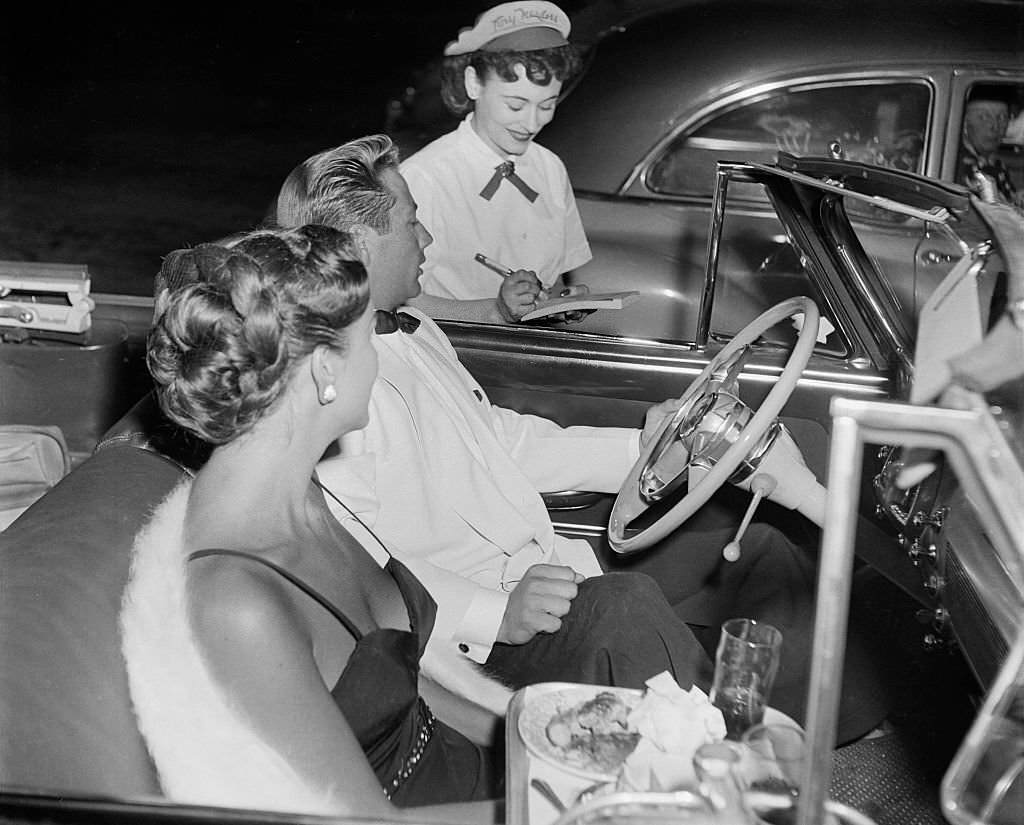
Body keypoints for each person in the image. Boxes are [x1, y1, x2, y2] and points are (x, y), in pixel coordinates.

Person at [275, 134, 893, 746]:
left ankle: (819, 735)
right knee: (625, 609)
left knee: (762, 547)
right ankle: (709, 770)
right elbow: (360, 568)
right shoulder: (335, 392)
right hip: (484, 634)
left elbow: (504, 443)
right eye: (412, 224)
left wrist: (645, 451)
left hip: (545, 564)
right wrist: (497, 615)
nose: (428, 240)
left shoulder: (413, 331)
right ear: (358, 244)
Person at [119, 225, 505, 822]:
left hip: (471, 776)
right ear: (326, 368)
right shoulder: (237, 599)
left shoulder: (300, 490)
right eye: (370, 337)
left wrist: (533, 739)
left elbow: (407, 689)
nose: (378, 357)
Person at [399, 0, 592, 324]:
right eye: (516, 105)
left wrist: (560, 301)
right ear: (474, 83)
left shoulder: (551, 168)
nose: (532, 124)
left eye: (546, 106)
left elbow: (553, 280)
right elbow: (399, 301)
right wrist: (497, 311)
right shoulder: (424, 177)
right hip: (455, 355)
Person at [957, 93, 1021, 206]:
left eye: (1002, 117)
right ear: (964, 122)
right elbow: (994, 216)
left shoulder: (994, 164)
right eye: (983, 117)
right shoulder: (958, 166)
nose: (994, 126)